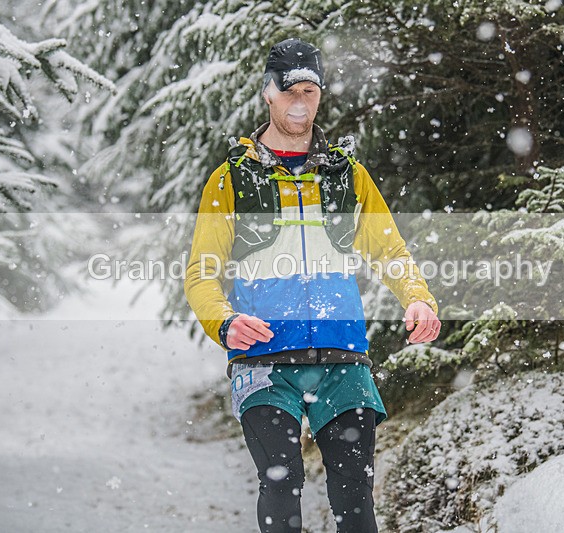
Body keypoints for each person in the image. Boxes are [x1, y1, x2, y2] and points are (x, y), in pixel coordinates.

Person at [184, 37, 441, 533]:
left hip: (341, 358)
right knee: (281, 484)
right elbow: (202, 271)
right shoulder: (231, 180)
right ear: (268, 93)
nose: (300, 102)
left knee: (355, 495)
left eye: (310, 90)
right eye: (289, 90)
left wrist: (418, 299)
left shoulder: (347, 177)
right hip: (265, 361)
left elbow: (390, 251)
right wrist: (225, 321)